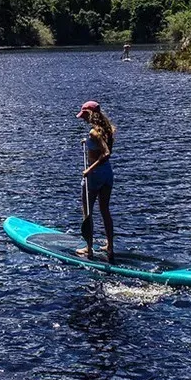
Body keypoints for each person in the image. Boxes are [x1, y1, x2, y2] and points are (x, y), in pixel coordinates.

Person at [77, 100, 116, 262]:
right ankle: (110, 246)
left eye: (84, 115)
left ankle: (89, 248)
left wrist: (89, 170)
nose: (83, 119)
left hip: (95, 175)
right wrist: (87, 142)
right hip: (107, 174)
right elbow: (100, 145)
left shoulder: (94, 132)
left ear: (90, 114)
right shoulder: (106, 129)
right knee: (105, 210)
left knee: (87, 211)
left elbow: (105, 153)